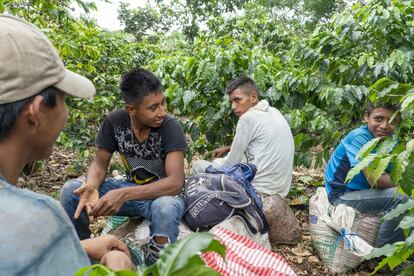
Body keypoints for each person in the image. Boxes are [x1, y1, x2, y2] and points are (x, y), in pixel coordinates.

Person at [0, 15, 134, 275]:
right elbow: (100, 161)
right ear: (36, 112)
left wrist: (78, 246)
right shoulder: (39, 216)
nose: (66, 113)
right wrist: (119, 272)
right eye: (63, 99)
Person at [60, 68, 187, 265]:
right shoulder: (114, 121)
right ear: (131, 109)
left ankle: (157, 265)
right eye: (153, 107)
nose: (162, 111)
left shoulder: (170, 127)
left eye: (163, 102)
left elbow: (175, 183)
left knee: (166, 208)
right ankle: (85, 256)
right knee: (72, 191)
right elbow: (100, 163)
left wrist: (124, 194)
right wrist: (92, 186)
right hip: (130, 190)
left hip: (159, 196)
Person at [192, 76, 294, 198]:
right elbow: (261, 141)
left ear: (253, 97)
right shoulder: (274, 111)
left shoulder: (247, 118)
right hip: (281, 190)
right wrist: (229, 147)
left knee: (199, 166)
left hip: (259, 189)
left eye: (237, 100)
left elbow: (229, 164)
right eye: (231, 102)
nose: (233, 106)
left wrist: (215, 162)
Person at [324, 101, 408, 247]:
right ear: (366, 117)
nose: (384, 126)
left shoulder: (392, 141)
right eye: (378, 119)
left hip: (365, 192)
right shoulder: (359, 137)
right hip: (342, 196)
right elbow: (376, 181)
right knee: (403, 197)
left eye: (393, 121)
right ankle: (385, 254)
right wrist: (407, 182)